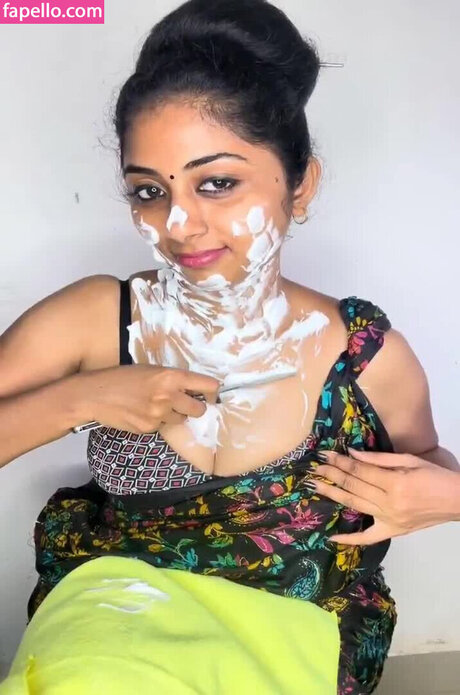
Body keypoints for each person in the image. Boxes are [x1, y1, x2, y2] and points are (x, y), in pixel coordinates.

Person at [0, 1, 457, 693]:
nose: (179, 223)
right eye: (148, 191)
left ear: (301, 185)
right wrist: (81, 398)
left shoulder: (364, 357)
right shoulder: (99, 318)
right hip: (118, 623)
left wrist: (450, 495)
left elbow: (425, 466)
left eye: (217, 182)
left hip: (300, 630)